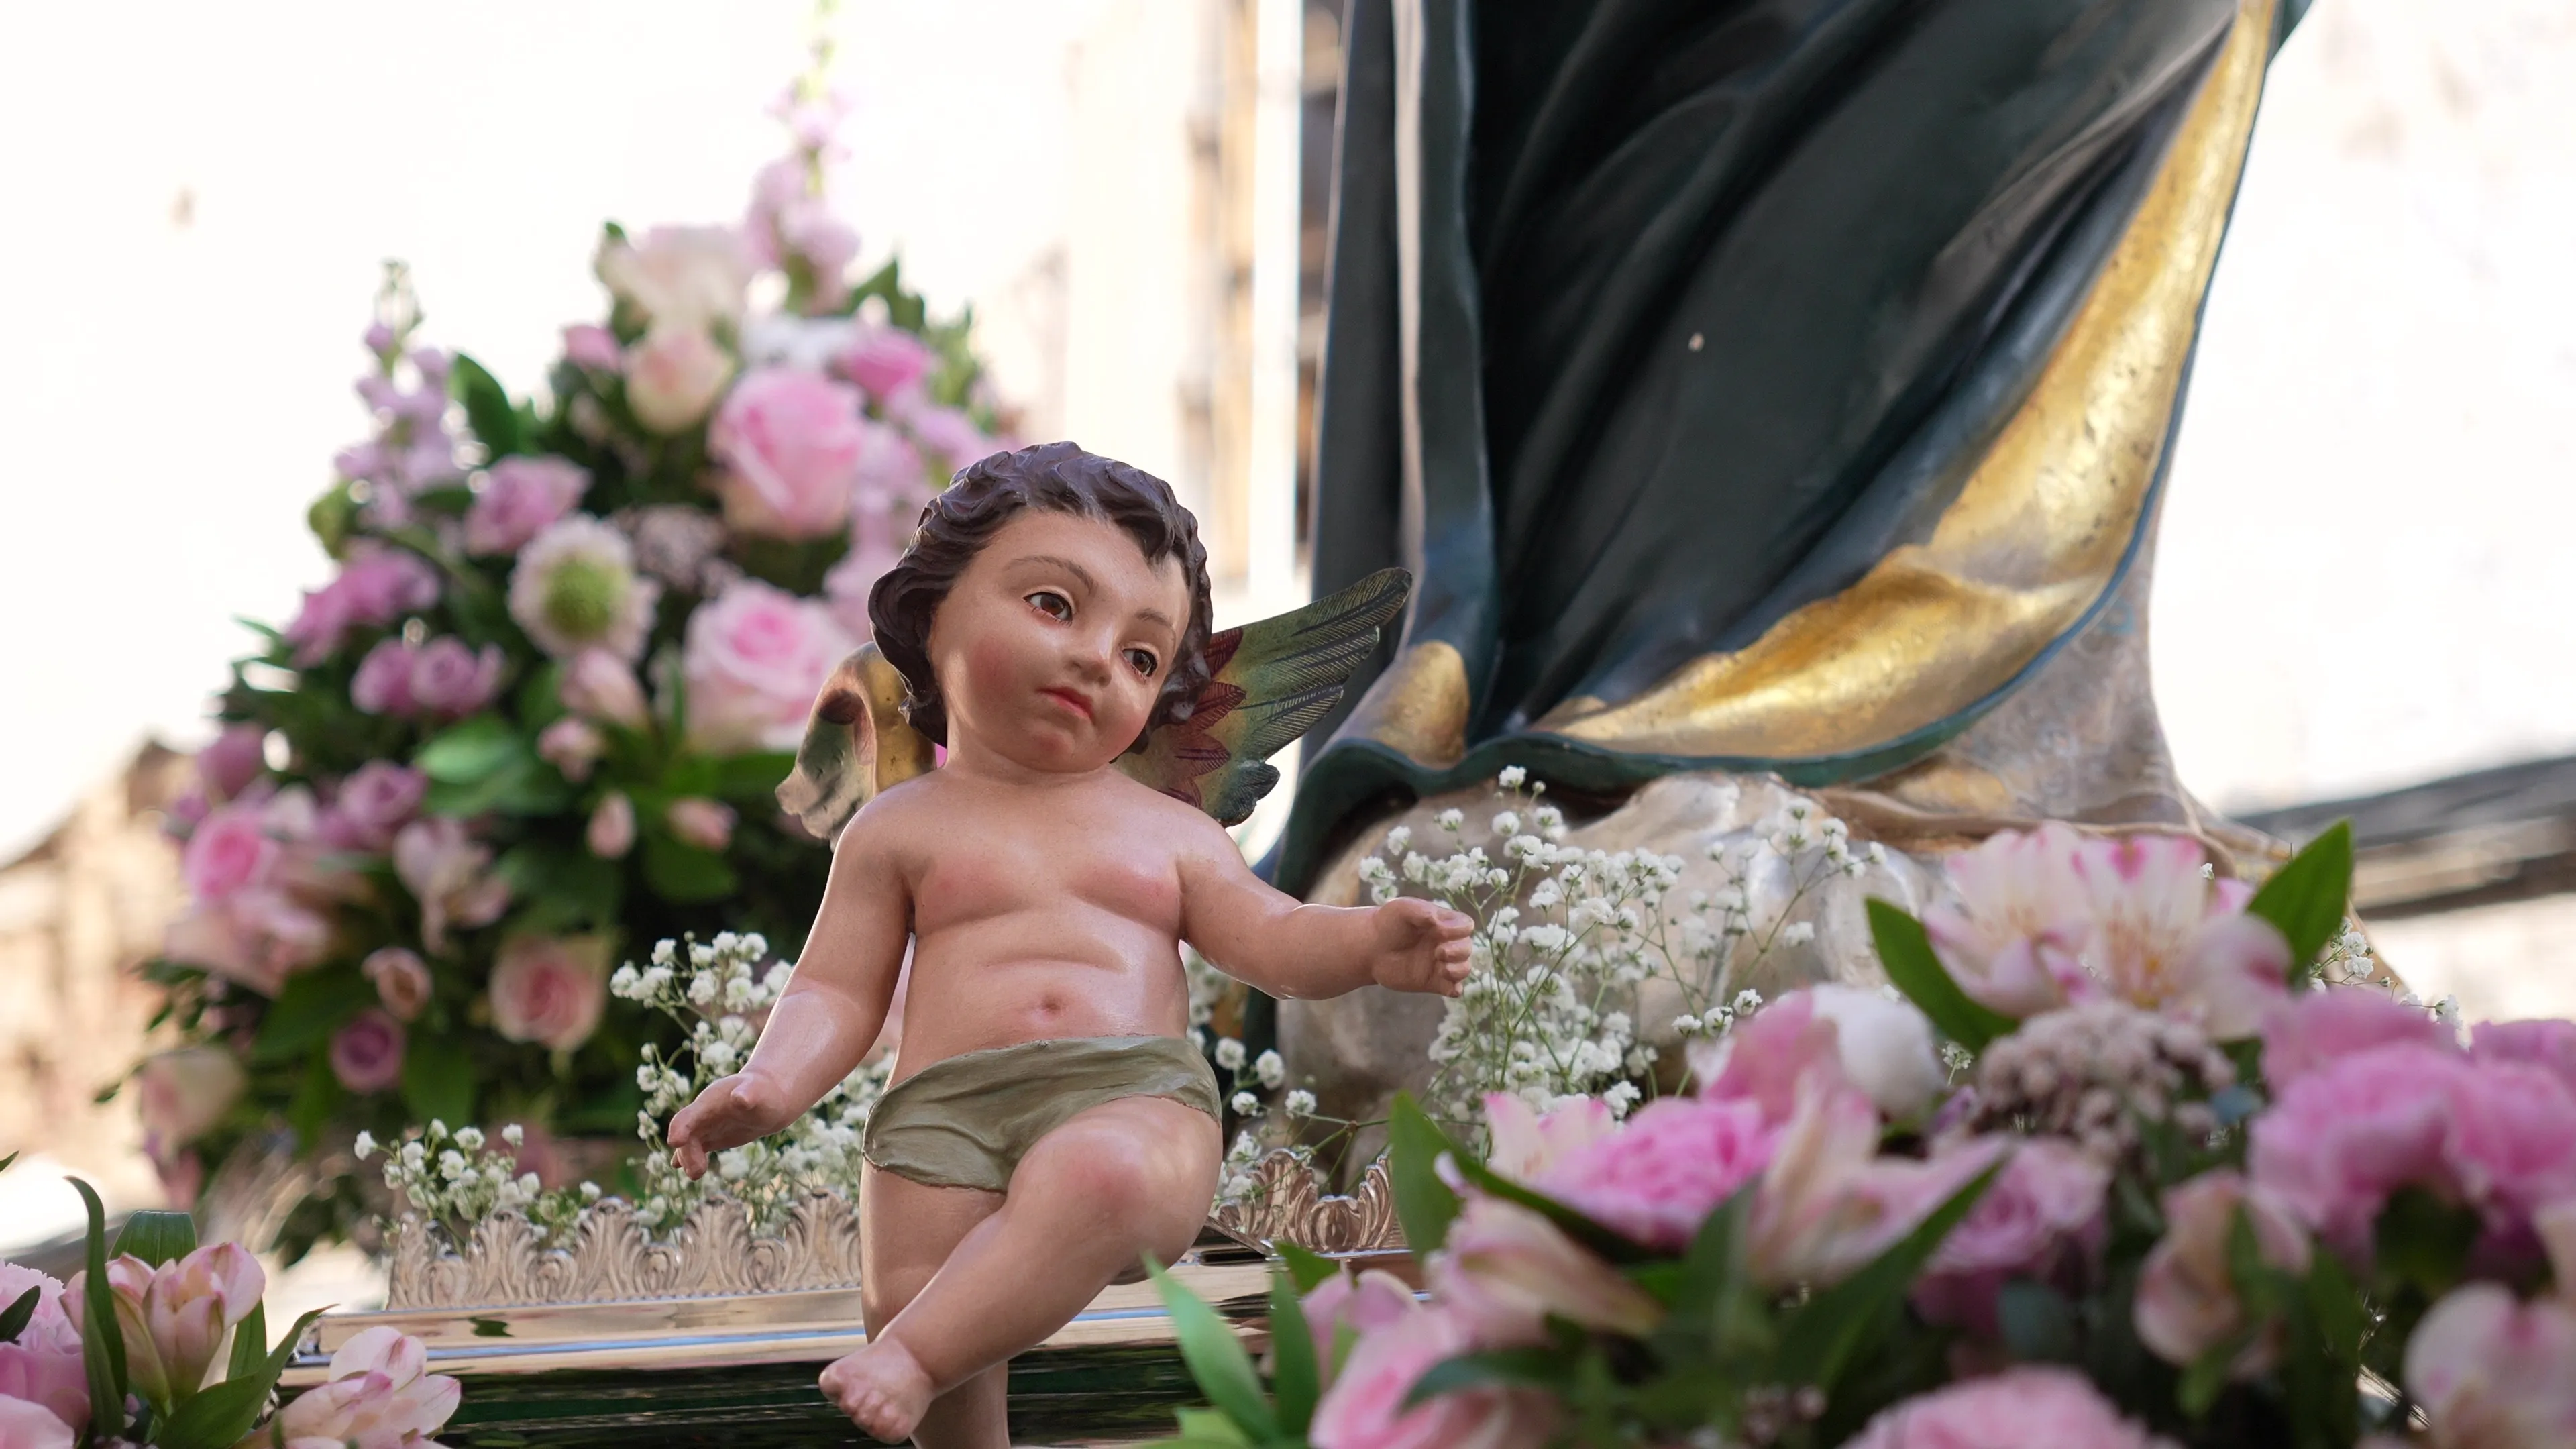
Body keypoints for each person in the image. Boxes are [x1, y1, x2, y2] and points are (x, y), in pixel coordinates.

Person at [665, 443, 1472, 1447]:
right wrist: (769, 1085)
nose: (1099, 657)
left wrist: (1366, 945)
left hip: (1130, 1096)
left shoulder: (1171, 832)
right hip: (941, 1114)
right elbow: (835, 990)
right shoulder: (897, 827)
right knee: (918, 1292)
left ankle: (912, 1359)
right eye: (1054, 605)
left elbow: (1268, 936)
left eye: (1141, 656)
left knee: (1096, 1181)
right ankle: (929, 1374)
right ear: (934, 608)